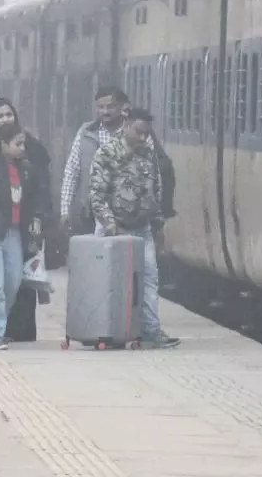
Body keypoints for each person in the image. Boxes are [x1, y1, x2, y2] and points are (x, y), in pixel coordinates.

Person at [88, 108, 179, 348]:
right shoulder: (107, 154)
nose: (142, 137)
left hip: (142, 228)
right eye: (138, 132)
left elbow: (155, 191)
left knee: (149, 279)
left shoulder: (149, 155)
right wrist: (110, 224)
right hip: (114, 229)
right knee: (110, 283)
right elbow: (97, 195)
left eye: (146, 133)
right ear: (126, 125)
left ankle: (150, 330)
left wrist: (158, 225)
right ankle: (106, 330)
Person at [0, 97, 54, 343]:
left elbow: (37, 196)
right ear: (4, 144)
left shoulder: (27, 169)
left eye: (23, 143)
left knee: (13, 282)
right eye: (18, 144)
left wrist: (38, 219)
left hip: (15, 233)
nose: (23, 148)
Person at [60, 87, 137, 237]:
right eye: (101, 107)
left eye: (110, 107)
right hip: (91, 213)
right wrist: (65, 210)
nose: (105, 112)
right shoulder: (86, 133)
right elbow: (72, 172)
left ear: (121, 107)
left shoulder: (134, 133)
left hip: (127, 214)